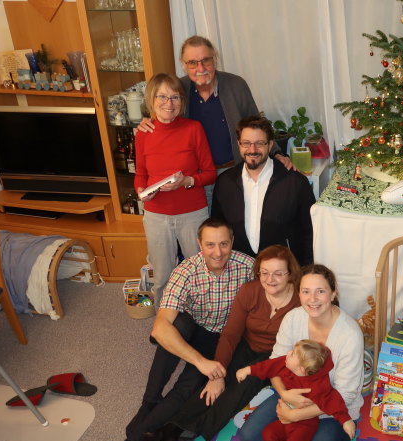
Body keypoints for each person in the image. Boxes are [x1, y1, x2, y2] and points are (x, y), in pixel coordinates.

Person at [110, 218, 254, 441]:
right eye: (210, 244)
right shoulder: (186, 271)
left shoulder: (248, 267)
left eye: (224, 243)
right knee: (178, 324)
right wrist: (199, 361)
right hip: (196, 331)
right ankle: (149, 401)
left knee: (187, 388)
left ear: (232, 242)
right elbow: (159, 328)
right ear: (199, 244)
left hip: (224, 340)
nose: (218, 252)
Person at [145, 245, 302, 441]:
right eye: (264, 273)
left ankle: (187, 434)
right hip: (247, 345)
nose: (270, 279)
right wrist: (217, 375)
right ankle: (173, 426)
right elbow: (230, 334)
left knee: (241, 388)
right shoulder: (250, 291)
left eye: (278, 273)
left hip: (274, 357)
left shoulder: (301, 302)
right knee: (216, 380)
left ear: (290, 274)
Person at [239, 264, 364, 441]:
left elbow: (345, 394)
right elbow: (275, 363)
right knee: (250, 437)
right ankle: (300, 437)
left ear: (333, 293)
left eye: (321, 291)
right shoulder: (294, 318)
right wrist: (285, 394)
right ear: (299, 293)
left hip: (331, 406)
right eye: (306, 291)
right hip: (291, 395)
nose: (312, 299)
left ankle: (313, 438)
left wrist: (295, 415)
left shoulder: (350, 334)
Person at [137, 35, 293, 207]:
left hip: (235, 173)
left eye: (206, 60)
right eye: (192, 63)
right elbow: (166, 112)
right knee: (208, 231)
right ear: (183, 64)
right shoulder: (179, 88)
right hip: (197, 178)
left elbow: (257, 124)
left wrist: (277, 153)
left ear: (215, 59)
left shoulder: (236, 85)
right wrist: (149, 122)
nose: (200, 68)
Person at [134, 72, 217, 306]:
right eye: (162, 96)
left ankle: (200, 317)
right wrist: (142, 190)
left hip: (192, 213)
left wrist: (186, 181)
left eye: (175, 97)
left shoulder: (194, 129)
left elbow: (210, 174)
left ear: (182, 102)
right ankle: (165, 324)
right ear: (151, 100)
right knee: (162, 277)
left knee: (199, 274)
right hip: (156, 214)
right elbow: (140, 174)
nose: (169, 103)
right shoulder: (143, 133)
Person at [236, 339, 356, 441]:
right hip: (285, 420)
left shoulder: (319, 385)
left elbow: (334, 401)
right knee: (268, 433)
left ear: (301, 370)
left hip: (305, 426)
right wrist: (248, 370)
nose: (287, 353)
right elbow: (269, 365)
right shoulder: (286, 364)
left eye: (292, 353)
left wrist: (346, 420)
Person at [212, 116, 316, 265]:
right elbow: (219, 230)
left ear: (270, 145)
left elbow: (310, 233)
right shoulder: (224, 183)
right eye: (246, 143)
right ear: (238, 144)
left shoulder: (295, 182)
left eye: (259, 143)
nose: (252, 150)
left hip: (284, 271)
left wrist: (305, 272)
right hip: (241, 271)